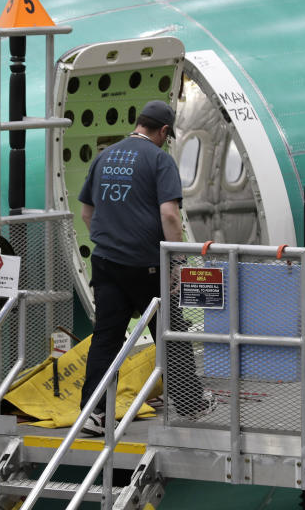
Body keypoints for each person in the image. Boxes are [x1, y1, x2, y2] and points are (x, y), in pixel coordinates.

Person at [77, 99, 215, 437]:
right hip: (146, 266)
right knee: (171, 334)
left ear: (139, 123)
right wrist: (177, 262)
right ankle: (191, 403)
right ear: (164, 131)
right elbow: (169, 215)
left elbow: (86, 212)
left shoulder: (104, 156)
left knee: (106, 339)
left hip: (106, 263)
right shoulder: (160, 160)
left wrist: (110, 239)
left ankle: (94, 414)